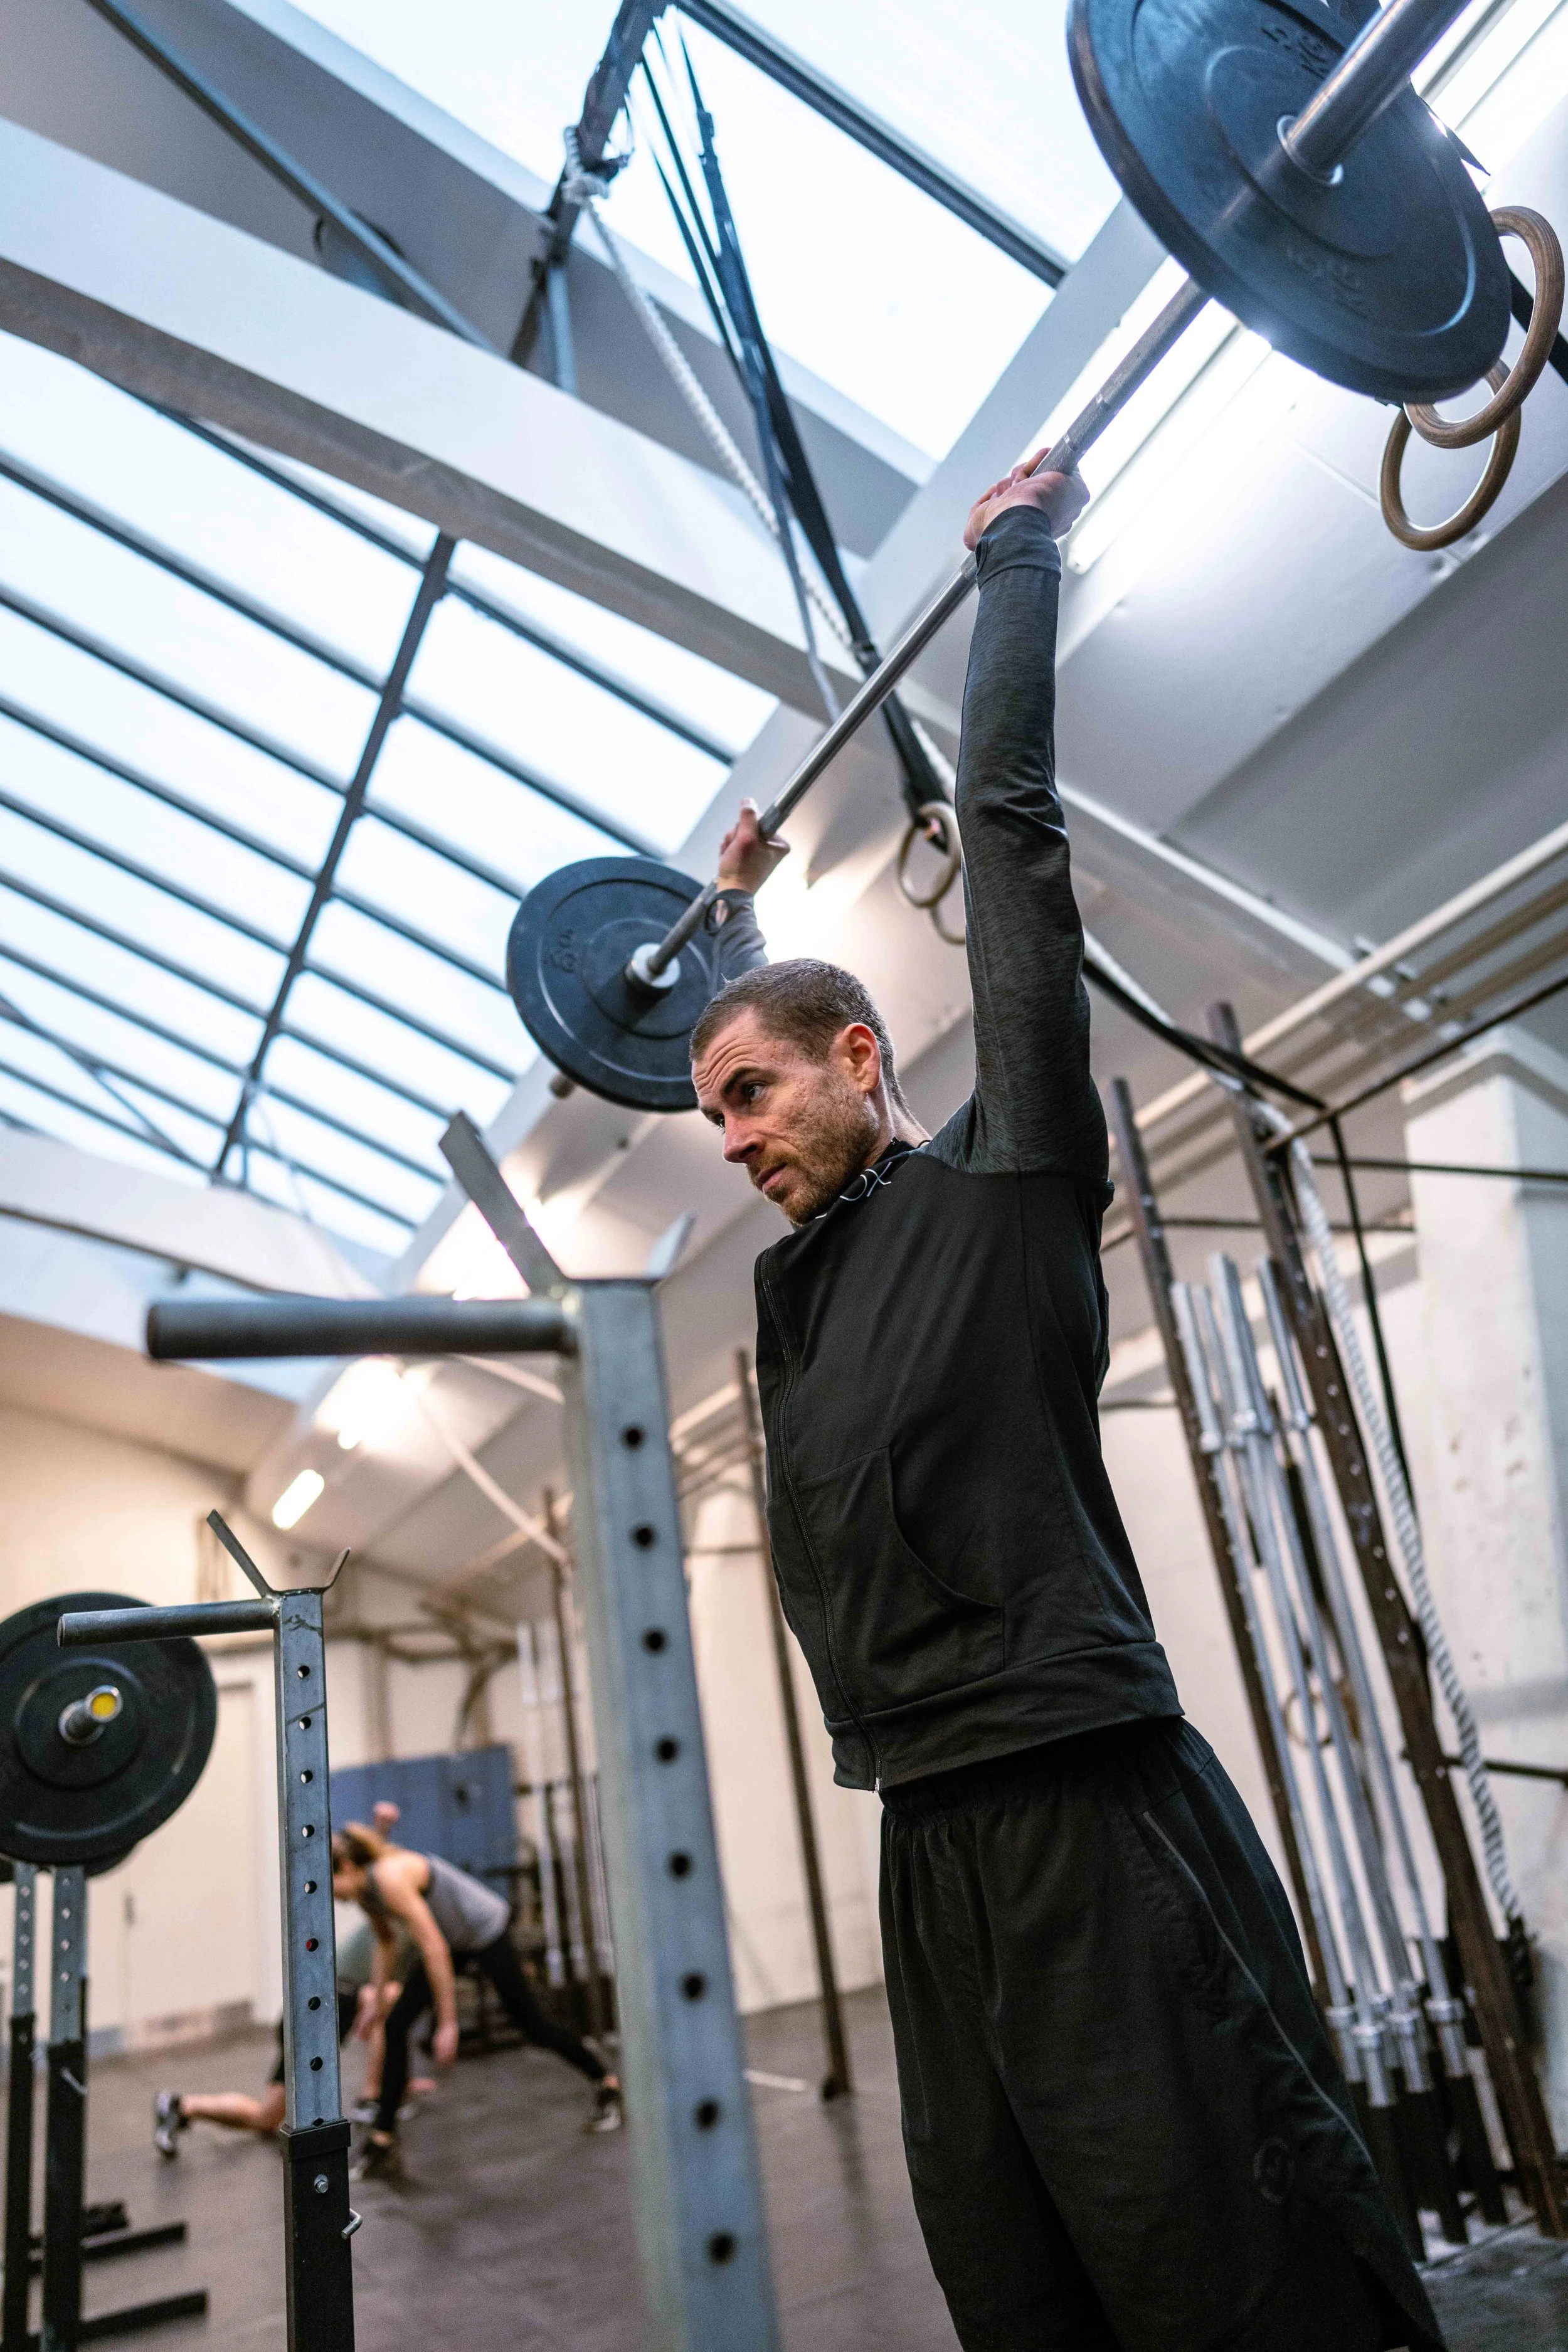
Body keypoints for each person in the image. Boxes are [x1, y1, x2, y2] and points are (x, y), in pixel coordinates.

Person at [688, 460, 1443, 2352]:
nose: (729, 1140)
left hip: (1085, 1816)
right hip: (922, 1840)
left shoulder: (1005, 1183)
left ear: (864, 1058)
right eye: (709, 1110)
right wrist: (712, 923)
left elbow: (1007, 838)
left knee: (1229, 2277)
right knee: (1014, 2287)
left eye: (757, 1094)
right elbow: (732, 1034)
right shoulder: (798, 1290)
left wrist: (1008, 562)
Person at [331, 1824, 620, 2179]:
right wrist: (376, 2004)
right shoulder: (366, 1892)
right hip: (455, 1940)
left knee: (532, 2023)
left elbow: (433, 1947)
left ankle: (606, 2082)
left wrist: (448, 2023)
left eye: (329, 1887)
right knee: (394, 2025)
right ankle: (382, 2140)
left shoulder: (388, 1879)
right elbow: (387, 1943)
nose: (332, 1899)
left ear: (345, 1869)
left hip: (484, 1930)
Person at [153, 1917, 401, 2154]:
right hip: (307, 2023)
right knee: (266, 2118)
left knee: (267, 2118)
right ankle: (182, 2105)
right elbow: (383, 2013)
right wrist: (376, 2090)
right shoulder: (379, 1988)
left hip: (306, 2017)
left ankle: (182, 2107)